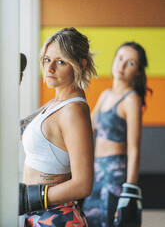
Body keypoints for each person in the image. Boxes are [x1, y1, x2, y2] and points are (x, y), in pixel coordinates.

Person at [19, 27, 97, 226]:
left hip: (58, 217)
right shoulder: (54, 104)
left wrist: (30, 197)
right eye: (47, 60)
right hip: (38, 213)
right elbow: (15, 131)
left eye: (60, 61)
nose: (50, 68)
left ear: (80, 64)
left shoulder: (73, 111)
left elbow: (83, 184)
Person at [82, 42, 152, 227]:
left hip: (115, 174)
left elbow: (134, 149)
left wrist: (129, 190)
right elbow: (86, 129)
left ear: (138, 71)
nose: (121, 66)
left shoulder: (131, 100)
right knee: (91, 220)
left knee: (110, 222)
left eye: (130, 63)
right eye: (120, 58)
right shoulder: (105, 95)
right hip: (95, 170)